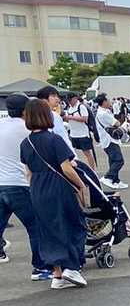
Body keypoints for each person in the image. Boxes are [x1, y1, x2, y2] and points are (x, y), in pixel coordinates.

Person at [19, 97, 89, 288]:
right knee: (72, 225)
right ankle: (72, 268)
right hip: (58, 186)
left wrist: (34, 190)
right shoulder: (54, 139)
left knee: (48, 230)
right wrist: (81, 184)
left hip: (37, 188)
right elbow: (66, 168)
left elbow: (28, 172)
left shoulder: (25, 143)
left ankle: (57, 275)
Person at [0, 94, 49, 279]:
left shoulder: (1, 124)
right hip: (20, 184)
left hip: (1, 183)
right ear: (25, 110)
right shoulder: (27, 129)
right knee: (35, 226)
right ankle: (41, 267)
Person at [93, 95, 128, 189]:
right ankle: (108, 177)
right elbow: (117, 123)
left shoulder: (103, 112)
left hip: (107, 139)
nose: (110, 102)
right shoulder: (103, 114)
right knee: (119, 160)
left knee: (113, 160)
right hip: (109, 140)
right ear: (104, 102)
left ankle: (115, 181)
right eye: (108, 100)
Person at [62, 92, 95, 167]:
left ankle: (92, 169)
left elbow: (84, 118)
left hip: (83, 134)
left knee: (87, 153)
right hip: (73, 134)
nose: (69, 102)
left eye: (70, 100)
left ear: (75, 98)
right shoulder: (70, 108)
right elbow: (69, 120)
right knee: (73, 153)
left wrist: (70, 117)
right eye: (68, 100)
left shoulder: (81, 107)